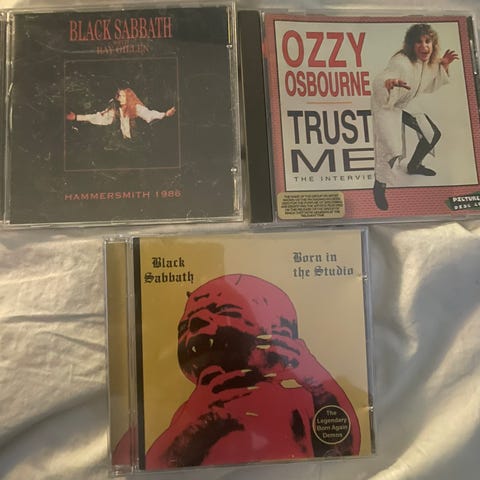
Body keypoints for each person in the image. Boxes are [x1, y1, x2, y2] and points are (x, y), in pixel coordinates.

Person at [145, 274, 361, 469]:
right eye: (184, 327)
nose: (196, 327)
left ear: (281, 337)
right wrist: (200, 418)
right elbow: (158, 466)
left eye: (225, 312)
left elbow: (345, 449)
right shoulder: (196, 409)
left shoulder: (300, 401)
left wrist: (315, 379)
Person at [371, 24, 458, 210]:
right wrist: (388, 83)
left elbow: (430, 81)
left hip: (406, 101)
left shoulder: (428, 63)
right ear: (411, 44)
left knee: (432, 134)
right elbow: (380, 79)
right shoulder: (400, 62)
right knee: (390, 148)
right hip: (387, 103)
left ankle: (414, 166)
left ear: (433, 44)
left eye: (428, 41)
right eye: (418, 42)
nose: (424, 46)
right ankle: (379, 186)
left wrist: (444, 64)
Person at [66, 87, 176, 140]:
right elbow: (100, 117)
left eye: (123, 96)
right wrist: (76, 117)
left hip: (138, 143)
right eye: (119, 96)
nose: (120, 98)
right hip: (123, 143)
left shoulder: (135, 108)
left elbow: (149, 114)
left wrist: (165, 114)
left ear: (129, 97)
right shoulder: (115, 109)